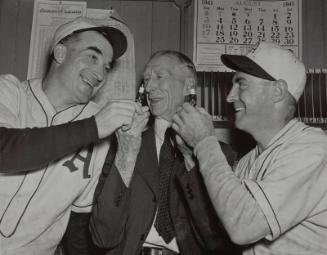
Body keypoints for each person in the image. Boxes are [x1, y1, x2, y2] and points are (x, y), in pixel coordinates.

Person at [0, 16, 149, 255]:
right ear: (60, 53)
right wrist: (94, 127)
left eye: (106, 67)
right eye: (93, 57)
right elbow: (4, 151)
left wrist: (128, 149)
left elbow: (84, 231)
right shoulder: (10, 92)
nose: (100, 74)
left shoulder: (100, 129)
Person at [172, 41, 327, 254]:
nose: (230, 96)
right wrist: (191, 157)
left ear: (278, 91)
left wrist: (205, 143)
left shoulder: (312, 149)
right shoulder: (248, 161)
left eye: (242, 83)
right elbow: (218, 241)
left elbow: (244, 227)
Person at [81, 50, 240, 255]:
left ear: (188, 85)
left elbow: (217, 241)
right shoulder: (124, 142)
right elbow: (103, 236)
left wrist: (193, 158)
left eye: (159, 76)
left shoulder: (220, 155)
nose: (149, 87)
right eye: (146, 79)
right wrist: (126, 155)